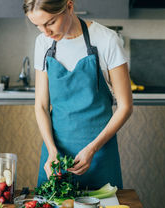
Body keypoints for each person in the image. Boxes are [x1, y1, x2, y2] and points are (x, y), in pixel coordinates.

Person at [23, 0, 133, 189]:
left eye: (50, 23)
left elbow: (125, 107)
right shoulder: (43, 43)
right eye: (38, 26)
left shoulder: (107, 40)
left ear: (70, 6)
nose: (45, 32)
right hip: (56, 156)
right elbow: (41, 105)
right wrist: (51, 151)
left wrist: (93, 148)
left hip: (99, 154)